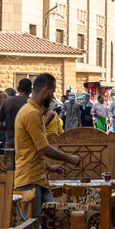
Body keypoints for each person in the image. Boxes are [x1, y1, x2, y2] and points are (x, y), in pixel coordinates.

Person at [13, 73, 81, 220]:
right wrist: (69, 158)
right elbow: (43, 148)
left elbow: (31, 151)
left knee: (51, 221)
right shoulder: (31, 113)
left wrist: (50, 168)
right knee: (32, 226)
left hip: (38, 179)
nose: (53, 96)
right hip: (29, 180)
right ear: (45, 90)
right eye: (53, 91)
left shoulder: (34, 112)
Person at [0, 78, 31, 151]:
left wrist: (7, 128)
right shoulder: (33, 102)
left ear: (18, 89)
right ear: (31, 90)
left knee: (10, 162)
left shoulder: (7, 101)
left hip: (11, 144)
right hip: (29, 144)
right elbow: (51, 114)